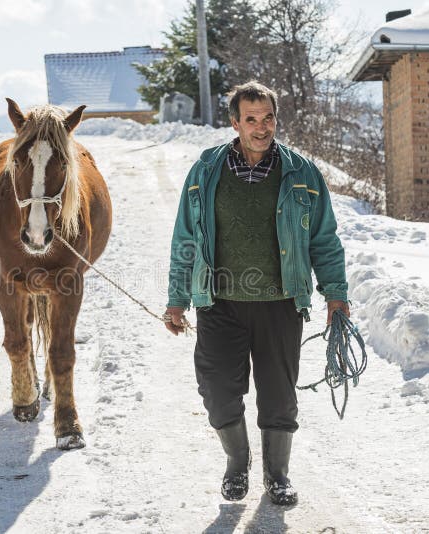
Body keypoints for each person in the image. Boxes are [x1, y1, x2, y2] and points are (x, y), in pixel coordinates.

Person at [164, 81, 349, 505]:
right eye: (252, 119)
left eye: (268, 118)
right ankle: (236, 463)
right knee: (216, 389)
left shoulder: (301, 173)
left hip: (280, 302)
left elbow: (324, 239)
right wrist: (177, 299)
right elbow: (185, 239)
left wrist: (335, 294)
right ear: (235, 122)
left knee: (279, 393)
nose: (261, 127)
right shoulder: (206, 171)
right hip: (219, 302)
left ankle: (278, 475)